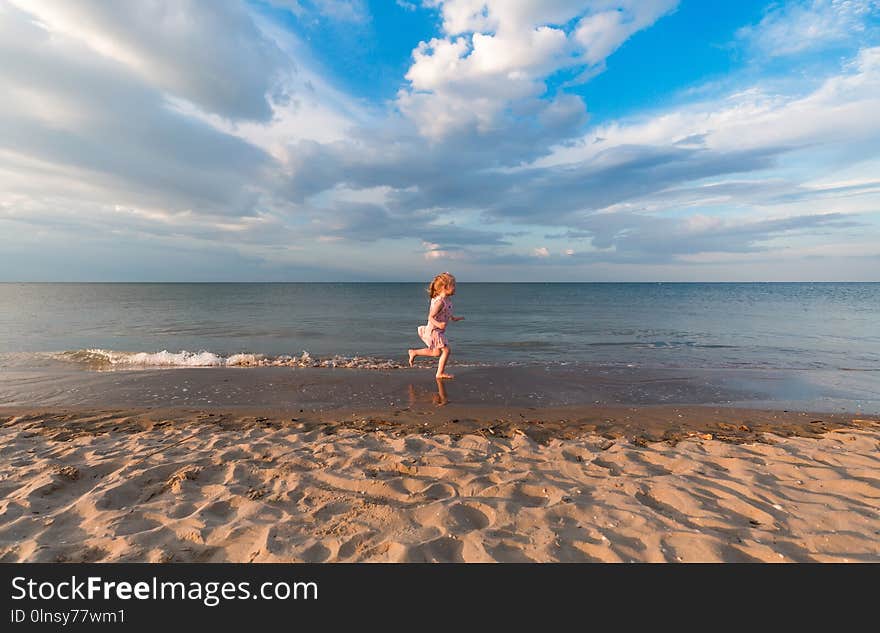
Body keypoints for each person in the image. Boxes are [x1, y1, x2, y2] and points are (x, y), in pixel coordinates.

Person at [408, 272, 464, 379]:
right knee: (447, 350)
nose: (455, 288)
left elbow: (446, 313)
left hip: (438, 331)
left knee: (436, 353)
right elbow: (430, 317)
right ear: (445, 287)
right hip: (434, 330)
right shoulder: (440, 302)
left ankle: (414, 352)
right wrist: (439, 324)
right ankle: (440, 373)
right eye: (453, 285)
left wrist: (454, 318)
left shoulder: (447, 300)